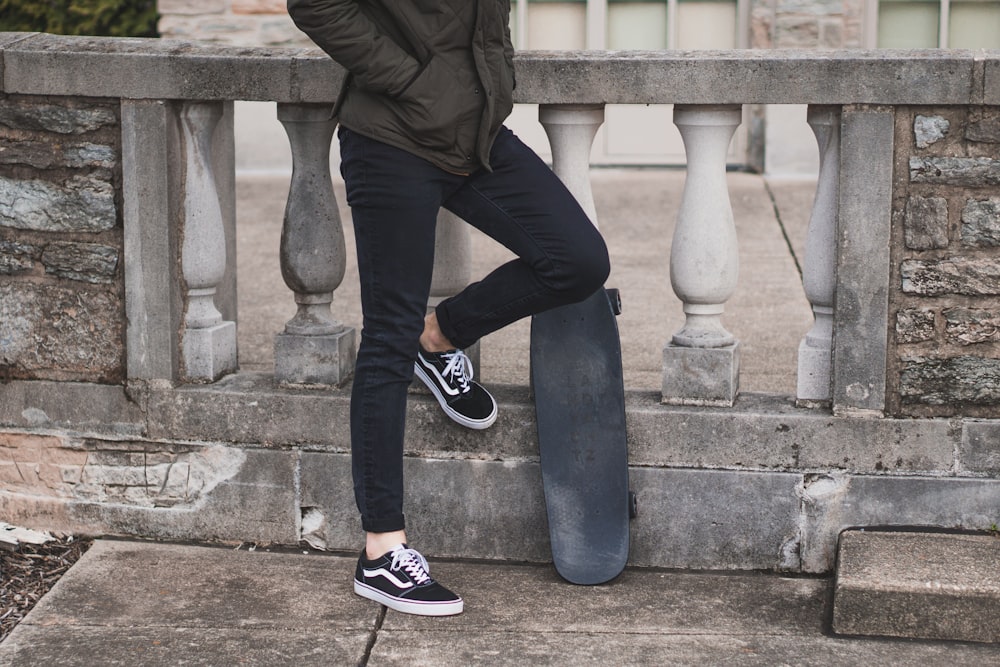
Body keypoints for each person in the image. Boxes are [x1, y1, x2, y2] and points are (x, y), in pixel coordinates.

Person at [287, 0, 610, 616]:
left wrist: (496, 82)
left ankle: (437, 339)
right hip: (392, 140)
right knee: (386, 336)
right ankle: (382, 553)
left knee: (577, 259)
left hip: (474, 132)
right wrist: (413, 84)